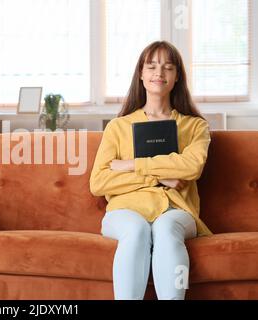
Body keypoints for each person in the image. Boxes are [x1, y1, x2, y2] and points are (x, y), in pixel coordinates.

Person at [89, 41, 212, 300]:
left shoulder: (195, 126)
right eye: (152, 66)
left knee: (166, 228)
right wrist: (160, 175)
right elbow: (99, 182)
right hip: (125, 211)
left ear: (177, 77)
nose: (159, 72)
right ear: (141, 74)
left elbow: (192, 167)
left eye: (168, 67)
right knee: (136, 229)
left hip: (177, 210)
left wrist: (133, 164)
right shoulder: (118, 126)